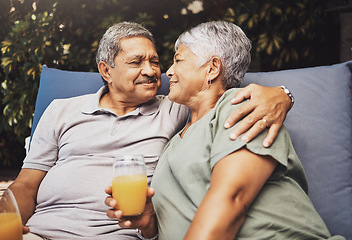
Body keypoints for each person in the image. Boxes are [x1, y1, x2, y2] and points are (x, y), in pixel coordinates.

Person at [9, 22, 292, 240]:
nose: (155, 71)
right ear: (106, 71)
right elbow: (24, 185)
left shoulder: (176, 107)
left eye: (156, 61)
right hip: (40, 232)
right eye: (136, 62)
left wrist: (283, 95)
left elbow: (214, 95)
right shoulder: (61, 110)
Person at [105, 21, 345, 240]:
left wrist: (284, 95)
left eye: (178, 60)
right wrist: (151, 224)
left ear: (212, 69)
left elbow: (232, 200)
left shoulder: (241, 109)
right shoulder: (173, 140)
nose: (168, 72)